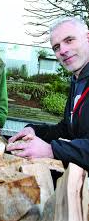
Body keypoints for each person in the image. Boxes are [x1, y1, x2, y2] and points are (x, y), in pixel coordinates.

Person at [7, 17, 89, 171]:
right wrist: (34, 130)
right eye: (56, 47)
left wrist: (52, 149)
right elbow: (67, 129)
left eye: (69, 40)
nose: (63, 51)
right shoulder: (77, 81)